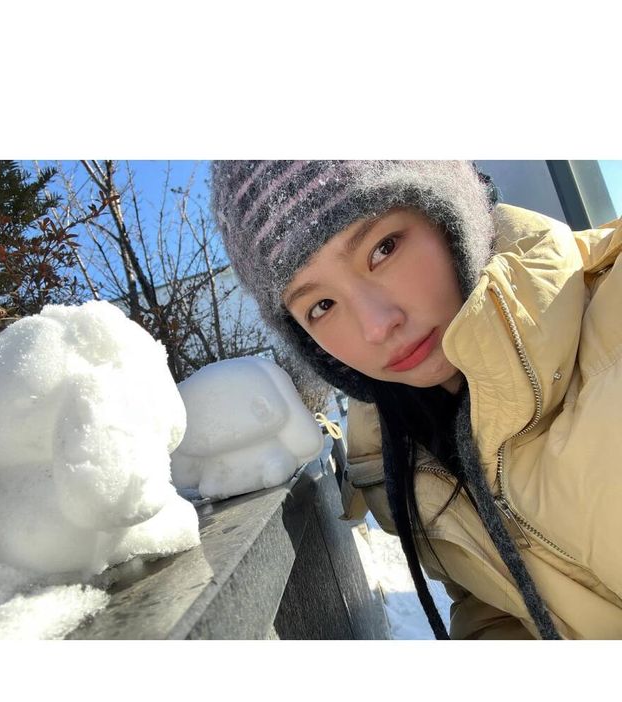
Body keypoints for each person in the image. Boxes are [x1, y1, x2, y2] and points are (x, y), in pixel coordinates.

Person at [210, 161, 622, 640]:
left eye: (383, 248)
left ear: (448, 213)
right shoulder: (399, 456)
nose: (376, 326)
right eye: (321, 306)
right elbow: (496, 604)